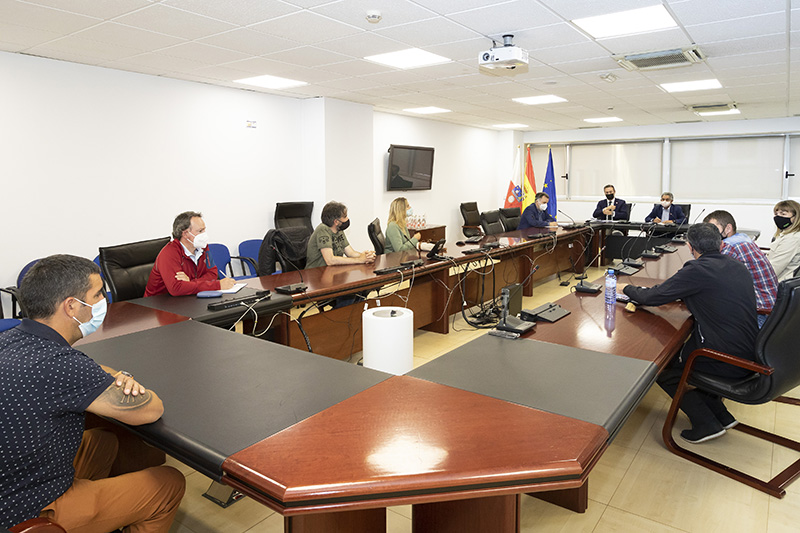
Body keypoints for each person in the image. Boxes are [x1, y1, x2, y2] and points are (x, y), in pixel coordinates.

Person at [0, 255, 185, 531]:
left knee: (104, 441)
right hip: (25, 509)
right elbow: (150, 410)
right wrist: (122, 378)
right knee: (169, 483)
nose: (103, 301)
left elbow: (83, 371)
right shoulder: (61, 364)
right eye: (98, 294)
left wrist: (111, 376)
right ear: (71, 306)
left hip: (12, 478)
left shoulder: (10, 339)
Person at [623, 224, 758, 444]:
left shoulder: (697, 270)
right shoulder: (737, 265)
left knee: (665, 368)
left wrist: (626, 288)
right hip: (750, 351)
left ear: (689, 246)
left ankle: (706, 424)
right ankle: (722, 415)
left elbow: (652, 297)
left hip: (725, 359)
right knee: (680, 355)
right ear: (721, 245)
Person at [704, 210, 777, 327]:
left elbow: (709, 275)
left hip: (759, 313)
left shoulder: (729, 246)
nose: (710, 234)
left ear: (728, 228)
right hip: (770, 307)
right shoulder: (743, 238)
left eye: (713, 229)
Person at [144, 211, 236, 297]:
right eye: (200, 231)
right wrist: (217, 285)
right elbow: (176, 288)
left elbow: (213, 274)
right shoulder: (169, 253)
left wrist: (190, 283)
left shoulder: (204, 247)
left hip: (188, 298)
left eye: (204, 230)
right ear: (185, 234)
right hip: (158, 303)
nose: (204, 235)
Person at [305, 201, 375, 269]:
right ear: (336, 222)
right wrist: (360, 260)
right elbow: (330, 260)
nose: (347, 219)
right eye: (345, 217)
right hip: (316, 273)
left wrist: (366, 256)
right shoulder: (323, 230)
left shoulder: (338, 230)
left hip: (332, 270)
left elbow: (350, 253)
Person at [767, 199, 800, 281]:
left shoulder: (792, 239)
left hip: (778, 282)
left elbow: (773, 269)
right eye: (776, 214)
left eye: (783, 214)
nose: (778, 217)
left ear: (795, 217)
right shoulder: (784, 234)